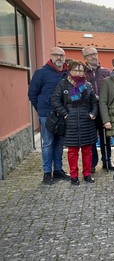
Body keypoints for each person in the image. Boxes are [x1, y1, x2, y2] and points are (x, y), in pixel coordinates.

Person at [28, 46, 70, 185]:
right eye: (56, 55)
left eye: (61, 55)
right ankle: (47, 173)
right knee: (48, 143)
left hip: (63, 113)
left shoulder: (67, 73)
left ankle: (58, 170)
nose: (59, 57)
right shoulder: (41, 73)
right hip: (47, 114)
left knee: (59, 143)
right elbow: (32, 94)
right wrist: (41, 109)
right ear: (51, 56)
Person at [51, 60, 98, 185]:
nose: (78, 72)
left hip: (86, 122)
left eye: (81, 70)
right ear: (70, 70)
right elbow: (55, 101)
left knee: (87, 150)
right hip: (70, 123)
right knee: (72, 152)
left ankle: (87, 174)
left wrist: (93, 113)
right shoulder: (63, 84)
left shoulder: (87, 85)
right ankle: (74, 175)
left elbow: (94, 102)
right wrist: (65, 114)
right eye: (76, 70)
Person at [81, 46, 114, 172]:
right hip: (89, 110)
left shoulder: (106, 72)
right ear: (84, 58)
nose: (93, 56)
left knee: (106, 136)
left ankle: (107, 161)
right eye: (90, 55)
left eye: (95, 54)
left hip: (105, 109)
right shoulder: (81, 72)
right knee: (91, 138)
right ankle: (92, 163)